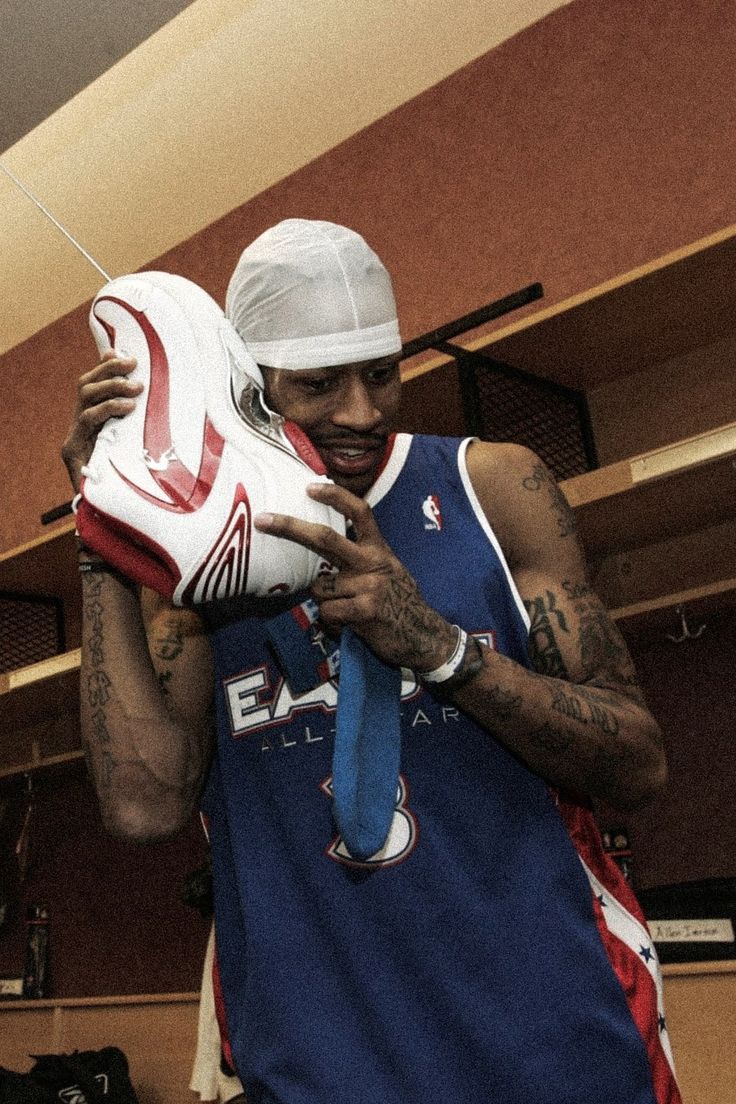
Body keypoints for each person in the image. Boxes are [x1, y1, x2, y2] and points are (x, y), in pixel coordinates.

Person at [62, 219, 681, 1104]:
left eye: (382, 372)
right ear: (248, 384)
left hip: (555, 1041)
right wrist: (104, 522)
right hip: (320, 1063)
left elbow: (638, 760)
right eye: (318, 384)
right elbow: (141, 805)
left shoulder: (492, 487)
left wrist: (437, 648)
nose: (362, 411)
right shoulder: (204, 561)